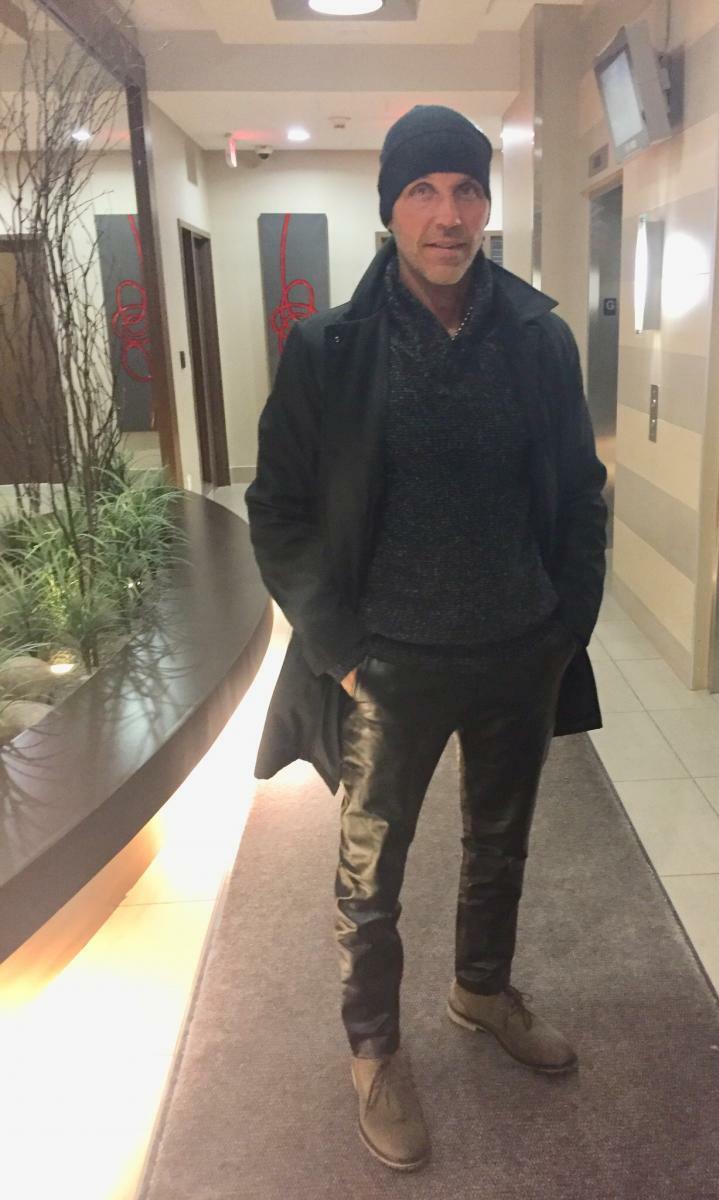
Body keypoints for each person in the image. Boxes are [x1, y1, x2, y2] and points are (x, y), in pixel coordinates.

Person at [246, 104, 607, 1173]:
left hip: (518, 650)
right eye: (423, 191)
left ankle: (480, 990)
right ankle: (374, 1052)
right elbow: (278, 510)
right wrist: (342, 648)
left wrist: (565, 627)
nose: (448, 215)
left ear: (486, 206)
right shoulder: (330, 348)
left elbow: (580, 494)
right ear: (391, 209)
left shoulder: (538, 338)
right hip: (387, 665)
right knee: (371, 880)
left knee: (501, 843)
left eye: (466, 191)